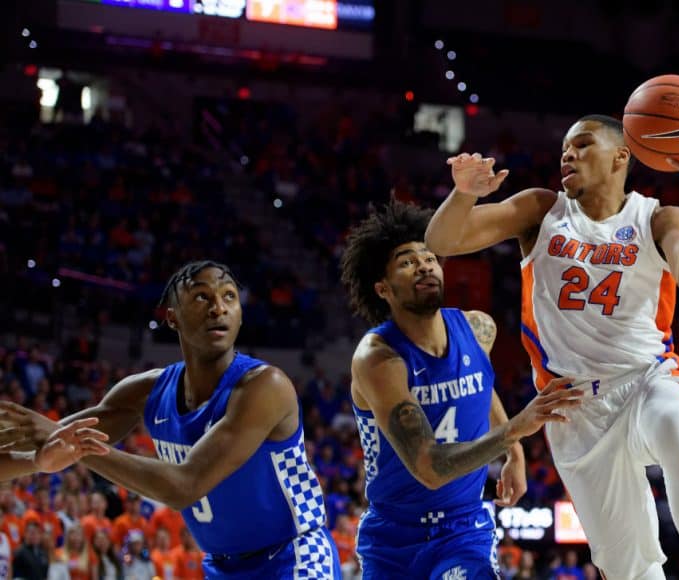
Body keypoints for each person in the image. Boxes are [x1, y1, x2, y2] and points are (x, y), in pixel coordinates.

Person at [426, 115, 679, 578]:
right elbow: (441, 240)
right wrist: (464, 193)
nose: (568, 154)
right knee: (628, 568)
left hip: (649, 379)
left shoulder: (658, 217)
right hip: (573, 406)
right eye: (564, 148)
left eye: (583, 145)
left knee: (671, 425)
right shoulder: (541, 210)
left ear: (621, 157)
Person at [11, 260, 341, 578]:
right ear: (172, 317)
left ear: (240, 316)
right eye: (202, 296)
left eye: (229, 296)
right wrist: (39, 453)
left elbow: (184, 486)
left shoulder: (265, 386)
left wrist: (74, 443)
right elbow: (49, 443)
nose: (218, 308)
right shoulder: (147, 391)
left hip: (294, 554)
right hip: (221, 566)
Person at [340, 200, 582, 579]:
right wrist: (515, 429)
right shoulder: (378, 359)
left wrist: (514, 451)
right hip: (393, 538)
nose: (423, 265)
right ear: (383, 289)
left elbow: (480, 388)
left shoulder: (477, 329)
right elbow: (431, 468)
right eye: (406, 261)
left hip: (462, 529)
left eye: (429, 258)